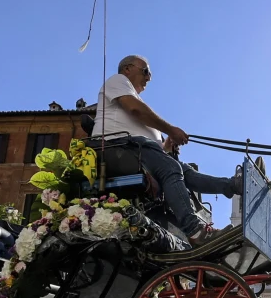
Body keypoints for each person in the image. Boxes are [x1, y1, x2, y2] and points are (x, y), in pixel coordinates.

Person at [92, 55, 247, 244]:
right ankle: (195, 230)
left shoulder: (131, 94)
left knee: (185, 172)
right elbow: (136, 110)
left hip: (139, 151)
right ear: (127, 69)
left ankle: (234, 186)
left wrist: (166, 146)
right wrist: (170, 130)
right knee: (172, 168)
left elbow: (151, 143)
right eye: (146, 71)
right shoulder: (118, 81)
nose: (149, 77)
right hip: (118, 148)